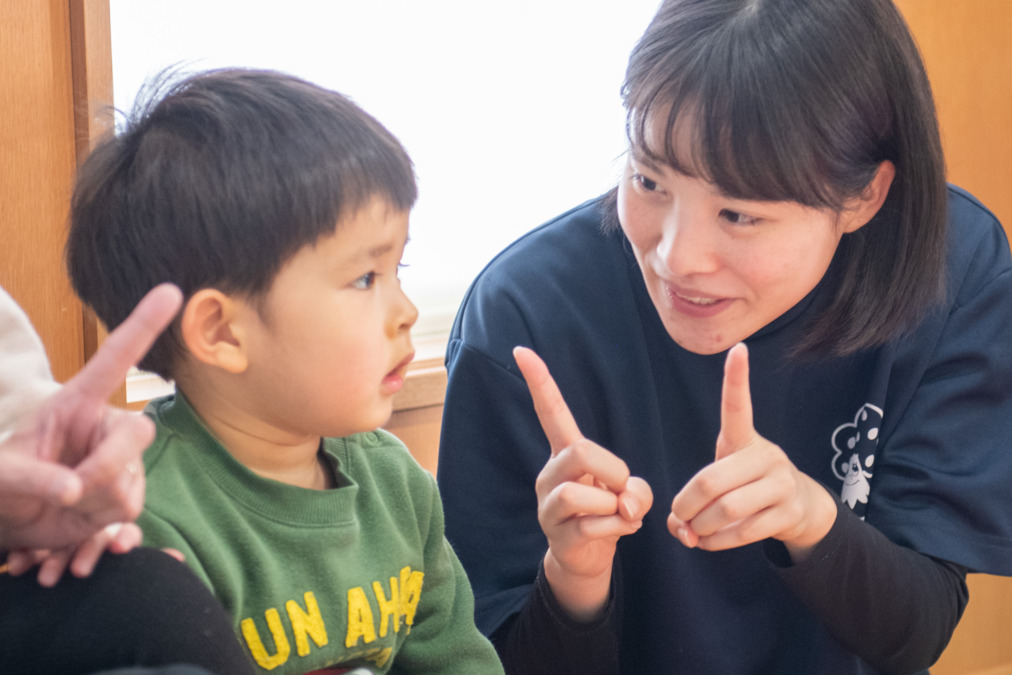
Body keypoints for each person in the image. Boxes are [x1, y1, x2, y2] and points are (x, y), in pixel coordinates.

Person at [436, 0, 1012, 673]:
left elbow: (914, 634)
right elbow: (488, 658)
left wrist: (808, 517)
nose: (677, 257)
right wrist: (574, 578)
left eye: (738, 213)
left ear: (864, 198)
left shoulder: (952, 271)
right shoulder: (526, 315)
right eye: (649, 178)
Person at [65, 68, 504, 675]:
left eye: (399, 268)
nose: (404, 312)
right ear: (221, 332)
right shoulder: (145, 516)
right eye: (364, 279)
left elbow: (457, 662)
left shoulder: (394, 481)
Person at [0, 283, 253, 674]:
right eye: (362, 281)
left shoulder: (381, 461)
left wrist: (22, 500)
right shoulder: (171, 497)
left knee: (151, 594)